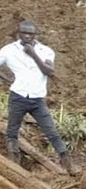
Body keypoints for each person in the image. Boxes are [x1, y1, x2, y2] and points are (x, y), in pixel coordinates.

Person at [0, 21, 77, 174]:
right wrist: (8, 79)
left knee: (52, 132)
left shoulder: (45, 51)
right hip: (18, 96)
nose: (27, 36)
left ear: (36, 35)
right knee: (12, 133)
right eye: (24, 33)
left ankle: (69, 166)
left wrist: (33, 54)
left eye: (31, 33)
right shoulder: (8, 50)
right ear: (18, 33)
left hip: (37, 99)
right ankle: (15, 169)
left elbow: (49, 71)